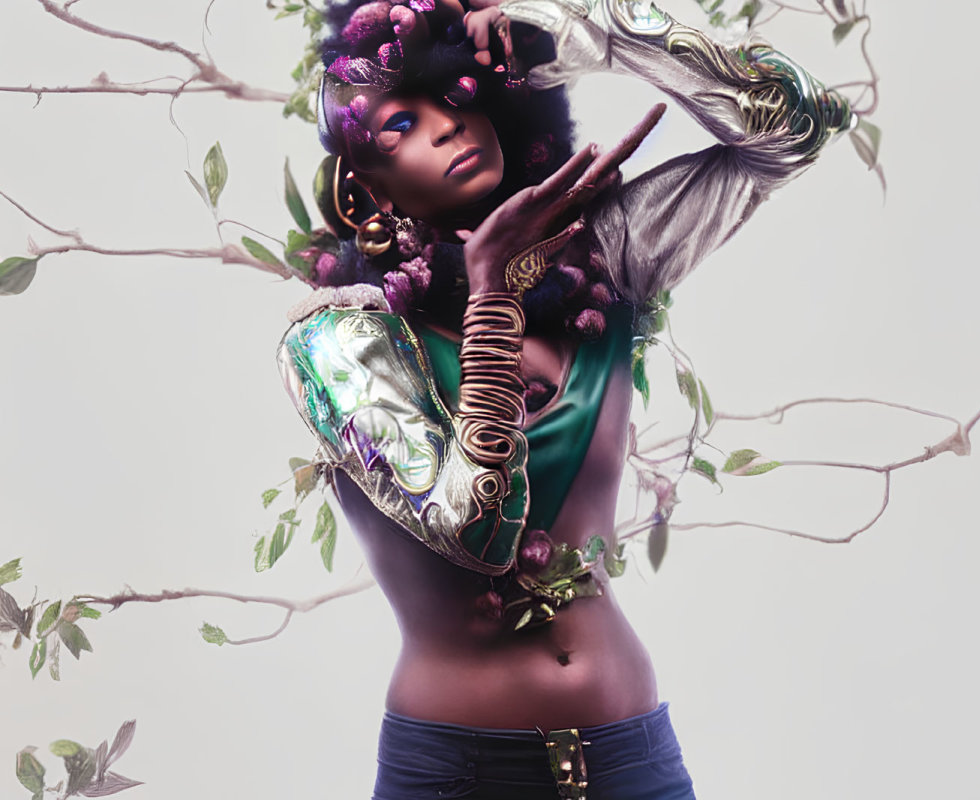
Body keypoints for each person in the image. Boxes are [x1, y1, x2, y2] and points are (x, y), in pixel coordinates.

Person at [277, 1, 852, 797]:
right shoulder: (336, 342)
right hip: (458, 774)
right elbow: (475, 530)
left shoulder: (605, 261)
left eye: (460, 94)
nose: (447, 125)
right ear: (359, 192)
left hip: (632, 758)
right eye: (401, 123)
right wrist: (491, 300)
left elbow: (801, 125)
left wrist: (591, 33)